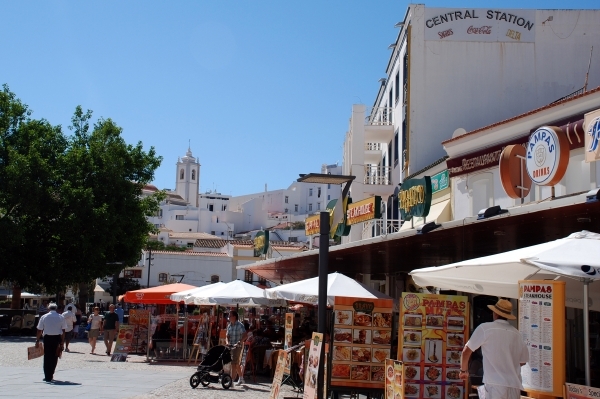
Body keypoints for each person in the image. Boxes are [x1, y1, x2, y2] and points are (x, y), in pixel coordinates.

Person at [460, 298, 529, 399]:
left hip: (495, 384)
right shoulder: (517, 334)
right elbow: (523, 361)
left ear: (495, 313)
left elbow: (466, 351)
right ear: (507, 317)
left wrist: (463, 371)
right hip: (514, 386)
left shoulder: (485, 328)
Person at [35, 303, 67, 382]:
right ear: (56, 309)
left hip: (47, 338)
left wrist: (37, 339)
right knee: (55, 355)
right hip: (57, 338)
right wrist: (62, 341)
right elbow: (63, 330)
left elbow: (39, 329)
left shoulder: (44, 317)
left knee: (47, 356)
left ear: (48, 309)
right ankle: (51, 373)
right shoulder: (61, 317)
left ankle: (47, 375)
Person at [226, 311, 247, 386]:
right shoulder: (229, 325)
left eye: (230, 316)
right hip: (231, 346)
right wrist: (227, 342)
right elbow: (227, 336)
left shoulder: (239, 325)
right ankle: (241, 378)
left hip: (237, 346)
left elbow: (245, 335)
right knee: (236, 363)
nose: (229, 317)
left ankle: (231, 380)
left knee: (233, 362)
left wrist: (240, 342)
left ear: (234, 317)